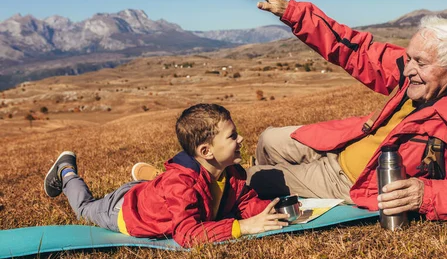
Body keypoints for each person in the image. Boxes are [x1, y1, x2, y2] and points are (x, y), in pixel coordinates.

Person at [238, 0, 447, 221]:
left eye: (420, 63)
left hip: (351, 179)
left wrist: (428, 195)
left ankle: (269, 200)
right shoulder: (417, 76)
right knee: (267, 139)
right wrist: (290, 12)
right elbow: (356, 50)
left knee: (247, 179)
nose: (407, 70)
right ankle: (282, 198)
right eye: (409, 58)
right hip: (345, 141)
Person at [43, 103, 289, 247]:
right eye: (232, 136)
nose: (241, 139)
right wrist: (243, 227)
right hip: (123, 211)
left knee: (172, 188)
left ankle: (152, 181)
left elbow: (244, 201)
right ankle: (66, 171)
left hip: (162, 192)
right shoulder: (181, 186)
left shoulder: (231, 172)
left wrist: (272, 211)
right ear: (206, 151)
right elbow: (186, 234)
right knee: (86, 208)